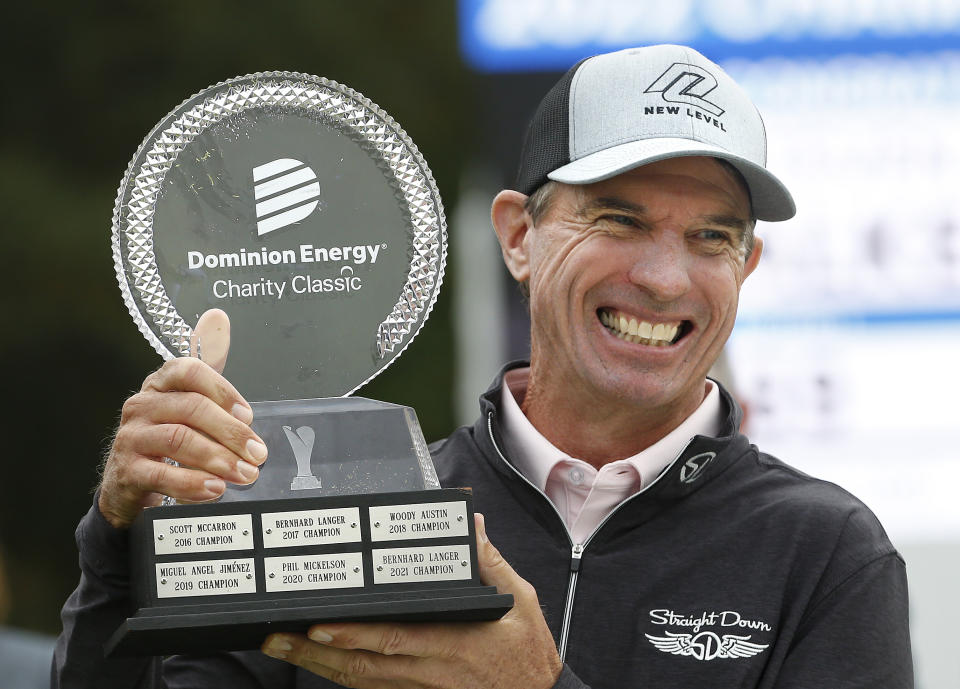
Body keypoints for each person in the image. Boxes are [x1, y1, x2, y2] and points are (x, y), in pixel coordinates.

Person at [54, 44, 913, 688]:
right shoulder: (365, 510)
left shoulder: (827, 552)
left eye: (711, 236)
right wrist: (118, 542)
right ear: (517, 236)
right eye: (617, 219)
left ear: (745, 268)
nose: (662, 276)